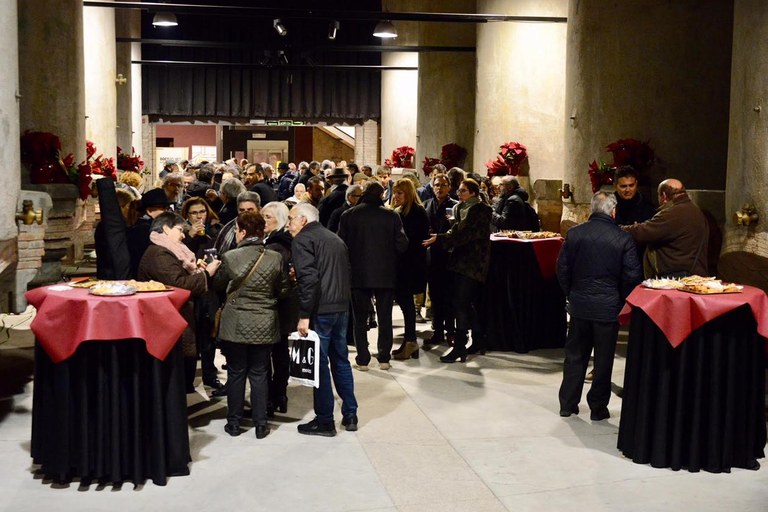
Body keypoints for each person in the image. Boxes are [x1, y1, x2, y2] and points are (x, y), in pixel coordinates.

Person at [556, 191, 642, 420]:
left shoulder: (574, 234)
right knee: (603, 359)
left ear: (592, 209)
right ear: (614, 211)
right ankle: (597, 407)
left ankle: (567, 403)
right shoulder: (623, 239)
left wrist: (571, 293)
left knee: (575, 355)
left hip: (580, 305)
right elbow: (632, 276)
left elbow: (562, 269)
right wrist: (621, 299)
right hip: (608, 307)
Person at [213, 211, 289, 439]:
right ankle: (260, 424)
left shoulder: (230, 257)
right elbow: (284, 290)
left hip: (235, 322)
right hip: (265, 321)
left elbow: (218, 286)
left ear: (243, 232)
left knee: (236, 373)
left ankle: (234, 423)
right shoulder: (275, 257)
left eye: (237, 230)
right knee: (259, 373)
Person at [288, 203, 359, 437]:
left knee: (319, 366)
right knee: (341, 361)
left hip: (321, 310)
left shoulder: (302, 241)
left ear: (303, 220)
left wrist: (304, 315)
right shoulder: (334, 238)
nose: (288, 225)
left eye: (291, 219)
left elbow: (310, 280)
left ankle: (325, 420)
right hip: (341, 307)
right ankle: (350, 414)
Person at [137, 212, 221, 393]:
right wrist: (207, 274)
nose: (183, 235)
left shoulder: (169, 251)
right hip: (166, 324)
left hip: (175, 320)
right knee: (171, 379)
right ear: (166, 229)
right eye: (180, 230)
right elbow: (178, 285)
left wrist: (198, 271)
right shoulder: (159, 254)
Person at [338, 182, 409, 371]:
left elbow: (341, 245)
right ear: (381, 195)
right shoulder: (391, 215)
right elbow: (402, 244)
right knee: (385, 317)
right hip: (385, 274)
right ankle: (384, 358)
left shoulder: (349, 215)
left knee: (359, 318)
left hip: (357, 273)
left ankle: (362, 358)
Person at [423, 178, 492, 362]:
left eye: (463, 191)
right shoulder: (463, 208)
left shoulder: (480, 210)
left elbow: (465, 235)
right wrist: (442, 236)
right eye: (459, 190)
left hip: (472, 263)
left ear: (473, 193)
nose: (459, 194)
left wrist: (441, 238)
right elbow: (457, 231)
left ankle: (460, 346)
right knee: (465, 303)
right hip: (461, 261)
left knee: (460, 303)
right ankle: (478, 340)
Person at [181, 196, 224, 394]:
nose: (199, 216)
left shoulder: (215, 231)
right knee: (191, 335)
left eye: (202, 212)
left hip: (210, 289)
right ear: (187, 216)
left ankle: (209, 374)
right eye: (194, 213)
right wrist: (190, 235)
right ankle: (187, 379)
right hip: (190, 289)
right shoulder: (181, 234)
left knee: (209, 334)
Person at [623, 178, 709, 278]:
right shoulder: (693, 209)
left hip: (679, 278)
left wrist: (615, 228)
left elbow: (643, 232)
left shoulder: (674, 213)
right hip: (692, 274)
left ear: (663, 196)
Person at [261, 201, 298, 417]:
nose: (263, 221)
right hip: (283, 305)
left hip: (276, 305)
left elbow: (274, 278)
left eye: (268, 217)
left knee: (273, 352)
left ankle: (272, 396)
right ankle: (280, 395)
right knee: (280, 350)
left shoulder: (276, 245)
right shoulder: (283, 241)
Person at [389, 178, 430, 361]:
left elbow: (410, 241)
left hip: (410, 266)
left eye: (399, 193)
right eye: (395, 193)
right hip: (403, 265)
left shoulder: (417, 212)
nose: (396, 196)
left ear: (409, 193)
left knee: (407, 304)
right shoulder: (400, 211)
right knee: (405, 304)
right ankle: (409, 341)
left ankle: (411, 340)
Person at [421, 173, 458, 347]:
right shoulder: (427, 205)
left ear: (449, 187)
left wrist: (441, 237)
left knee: (449, 296)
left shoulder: (455, 207)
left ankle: (451, 331)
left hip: (449, 256)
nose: (439, 188)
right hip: (432, 256)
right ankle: (437, 331)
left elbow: (458, 233)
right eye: (436, 185)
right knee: (435, 296)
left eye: (443, 185)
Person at [126, 187, 171, 278]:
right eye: (162, 209)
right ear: (149, 211)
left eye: (167, 208)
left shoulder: (145, 226)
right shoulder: (144, 230)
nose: (166, 212)